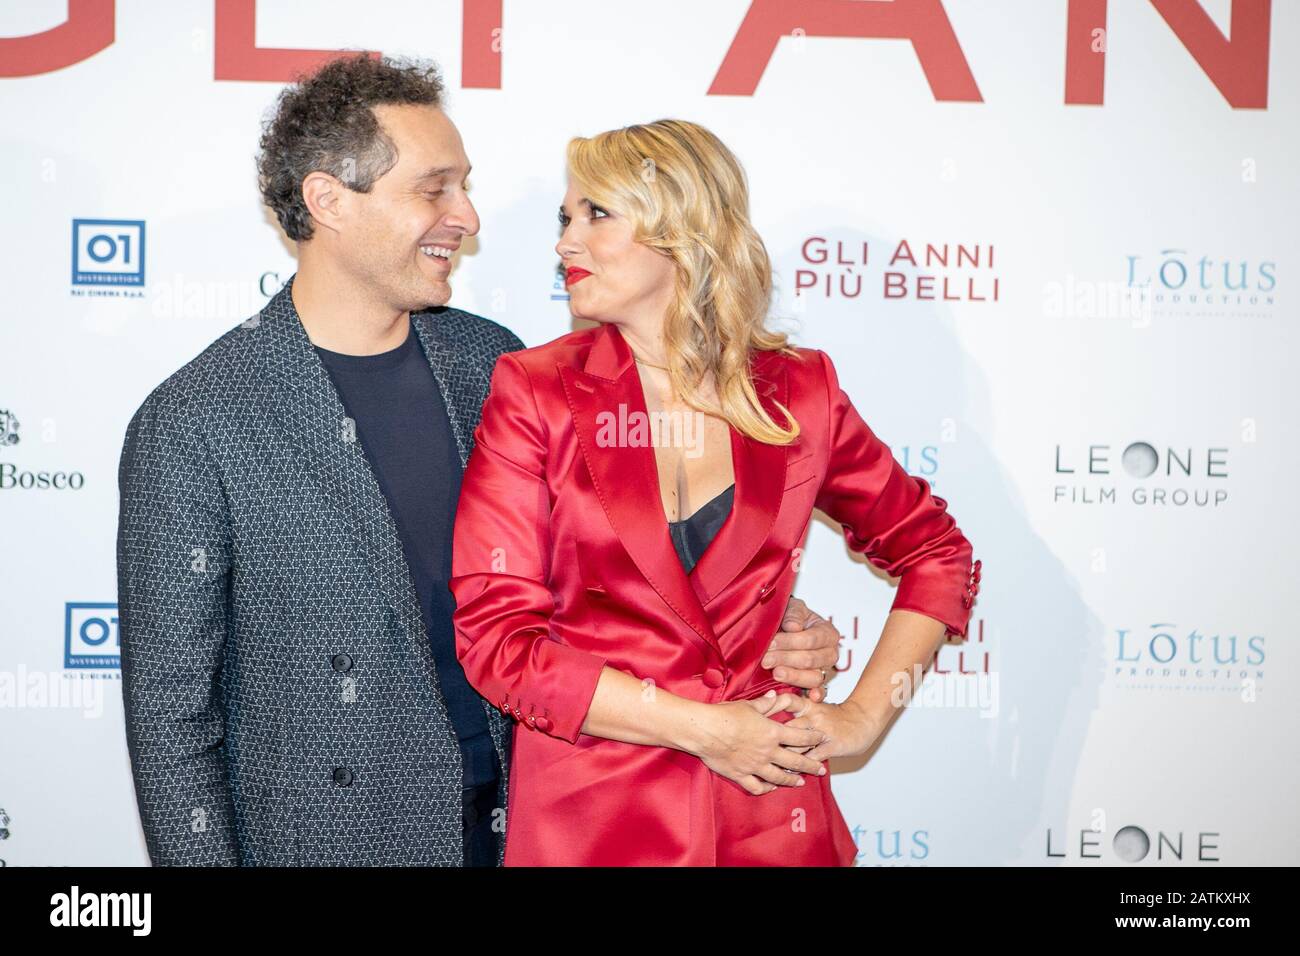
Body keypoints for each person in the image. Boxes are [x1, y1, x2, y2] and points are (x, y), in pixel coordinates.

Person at [116, 56, 843, 867]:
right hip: (337, 845)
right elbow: (172, 722)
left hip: (537, 820)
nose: (467, 215)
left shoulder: (492, 363)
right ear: (328, 201)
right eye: (435, 188)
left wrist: (760, 618)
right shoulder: (195, 420)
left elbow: (602, 575)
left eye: (464, 185)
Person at [450, 119, 982, 866]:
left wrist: (861, 719)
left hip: (770, 819)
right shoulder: (535, 392)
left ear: (683, 227)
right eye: (565, 219)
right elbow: (498, 642)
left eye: (597, 214)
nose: (566, 242)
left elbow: (937, 553)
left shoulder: (800, 391)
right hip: (594, 825)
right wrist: (704, 728)